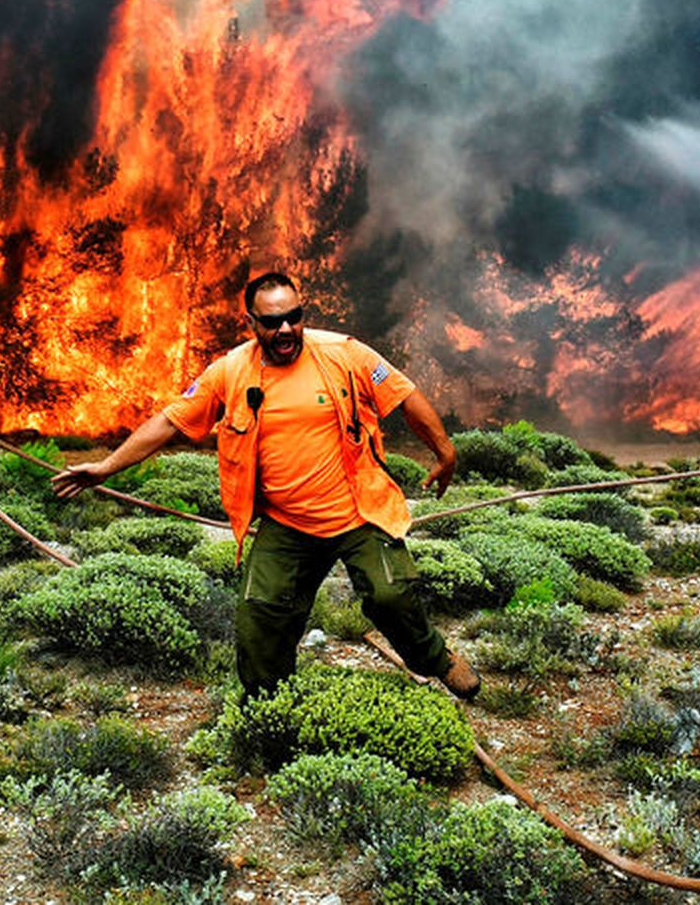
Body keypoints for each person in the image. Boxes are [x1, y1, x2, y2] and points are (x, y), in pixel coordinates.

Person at [52, 272, 479, 700]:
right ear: (252, 323)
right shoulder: (230, 371)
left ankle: (437, 662)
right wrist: (107, 467)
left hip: (358, 512)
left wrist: (446, 452)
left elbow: (404, 395)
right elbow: (169, 421)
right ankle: (269, 710)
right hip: (287, 523)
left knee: (390, 597)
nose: (286, 330)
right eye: (272, 322)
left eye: (294, 318)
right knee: (258, 619)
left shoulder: (344, 354)